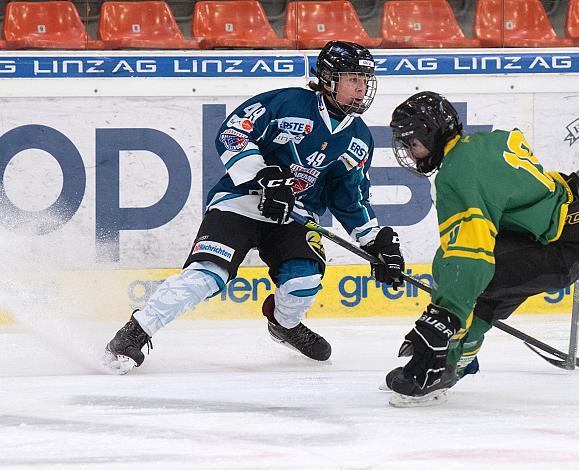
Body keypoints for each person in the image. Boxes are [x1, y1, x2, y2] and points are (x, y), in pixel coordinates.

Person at [103, 41, 405, 374]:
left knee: (302, 282)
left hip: (294, 216)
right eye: (353, 79)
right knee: (206, 276)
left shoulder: (359, 138)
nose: (361, 88)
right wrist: (263, 176)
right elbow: (234, 132)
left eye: (365, 80)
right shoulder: (288, 102)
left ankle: (283, 324)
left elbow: (350, 196)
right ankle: (134, 333)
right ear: (328, 79)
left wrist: (374, 241)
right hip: (241, 202)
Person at [385, 92, 579, 406]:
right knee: (452, 266)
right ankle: (458, 358)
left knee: (463, 276)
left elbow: (471, 257)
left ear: (431, 134)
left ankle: (444, 366)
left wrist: (443, 318)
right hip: (567, 232)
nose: (411, 153)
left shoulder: (456, 174)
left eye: (412, 143)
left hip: (559, 250)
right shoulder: (480, 145)